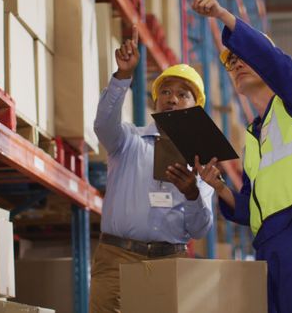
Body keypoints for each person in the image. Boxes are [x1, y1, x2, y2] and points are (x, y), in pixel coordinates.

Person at [188, 0, 292, 313]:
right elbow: (247, 209)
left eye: (244, 58)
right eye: (232, 62)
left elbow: (277, 63)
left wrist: (223, 15)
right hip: (268, 239)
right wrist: (220, 188)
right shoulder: (253, 138)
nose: (236, 64)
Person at [90, 26, 215, 313]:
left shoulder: (201, 164)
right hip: (116, 260)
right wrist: (123, 76)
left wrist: (192, 193)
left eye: (183, 94)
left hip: (170, 263)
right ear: (156, 101)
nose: (172, 99)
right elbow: (102, 125)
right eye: (166, 92)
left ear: (197, 107)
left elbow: (199, 230)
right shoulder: (127, 142)